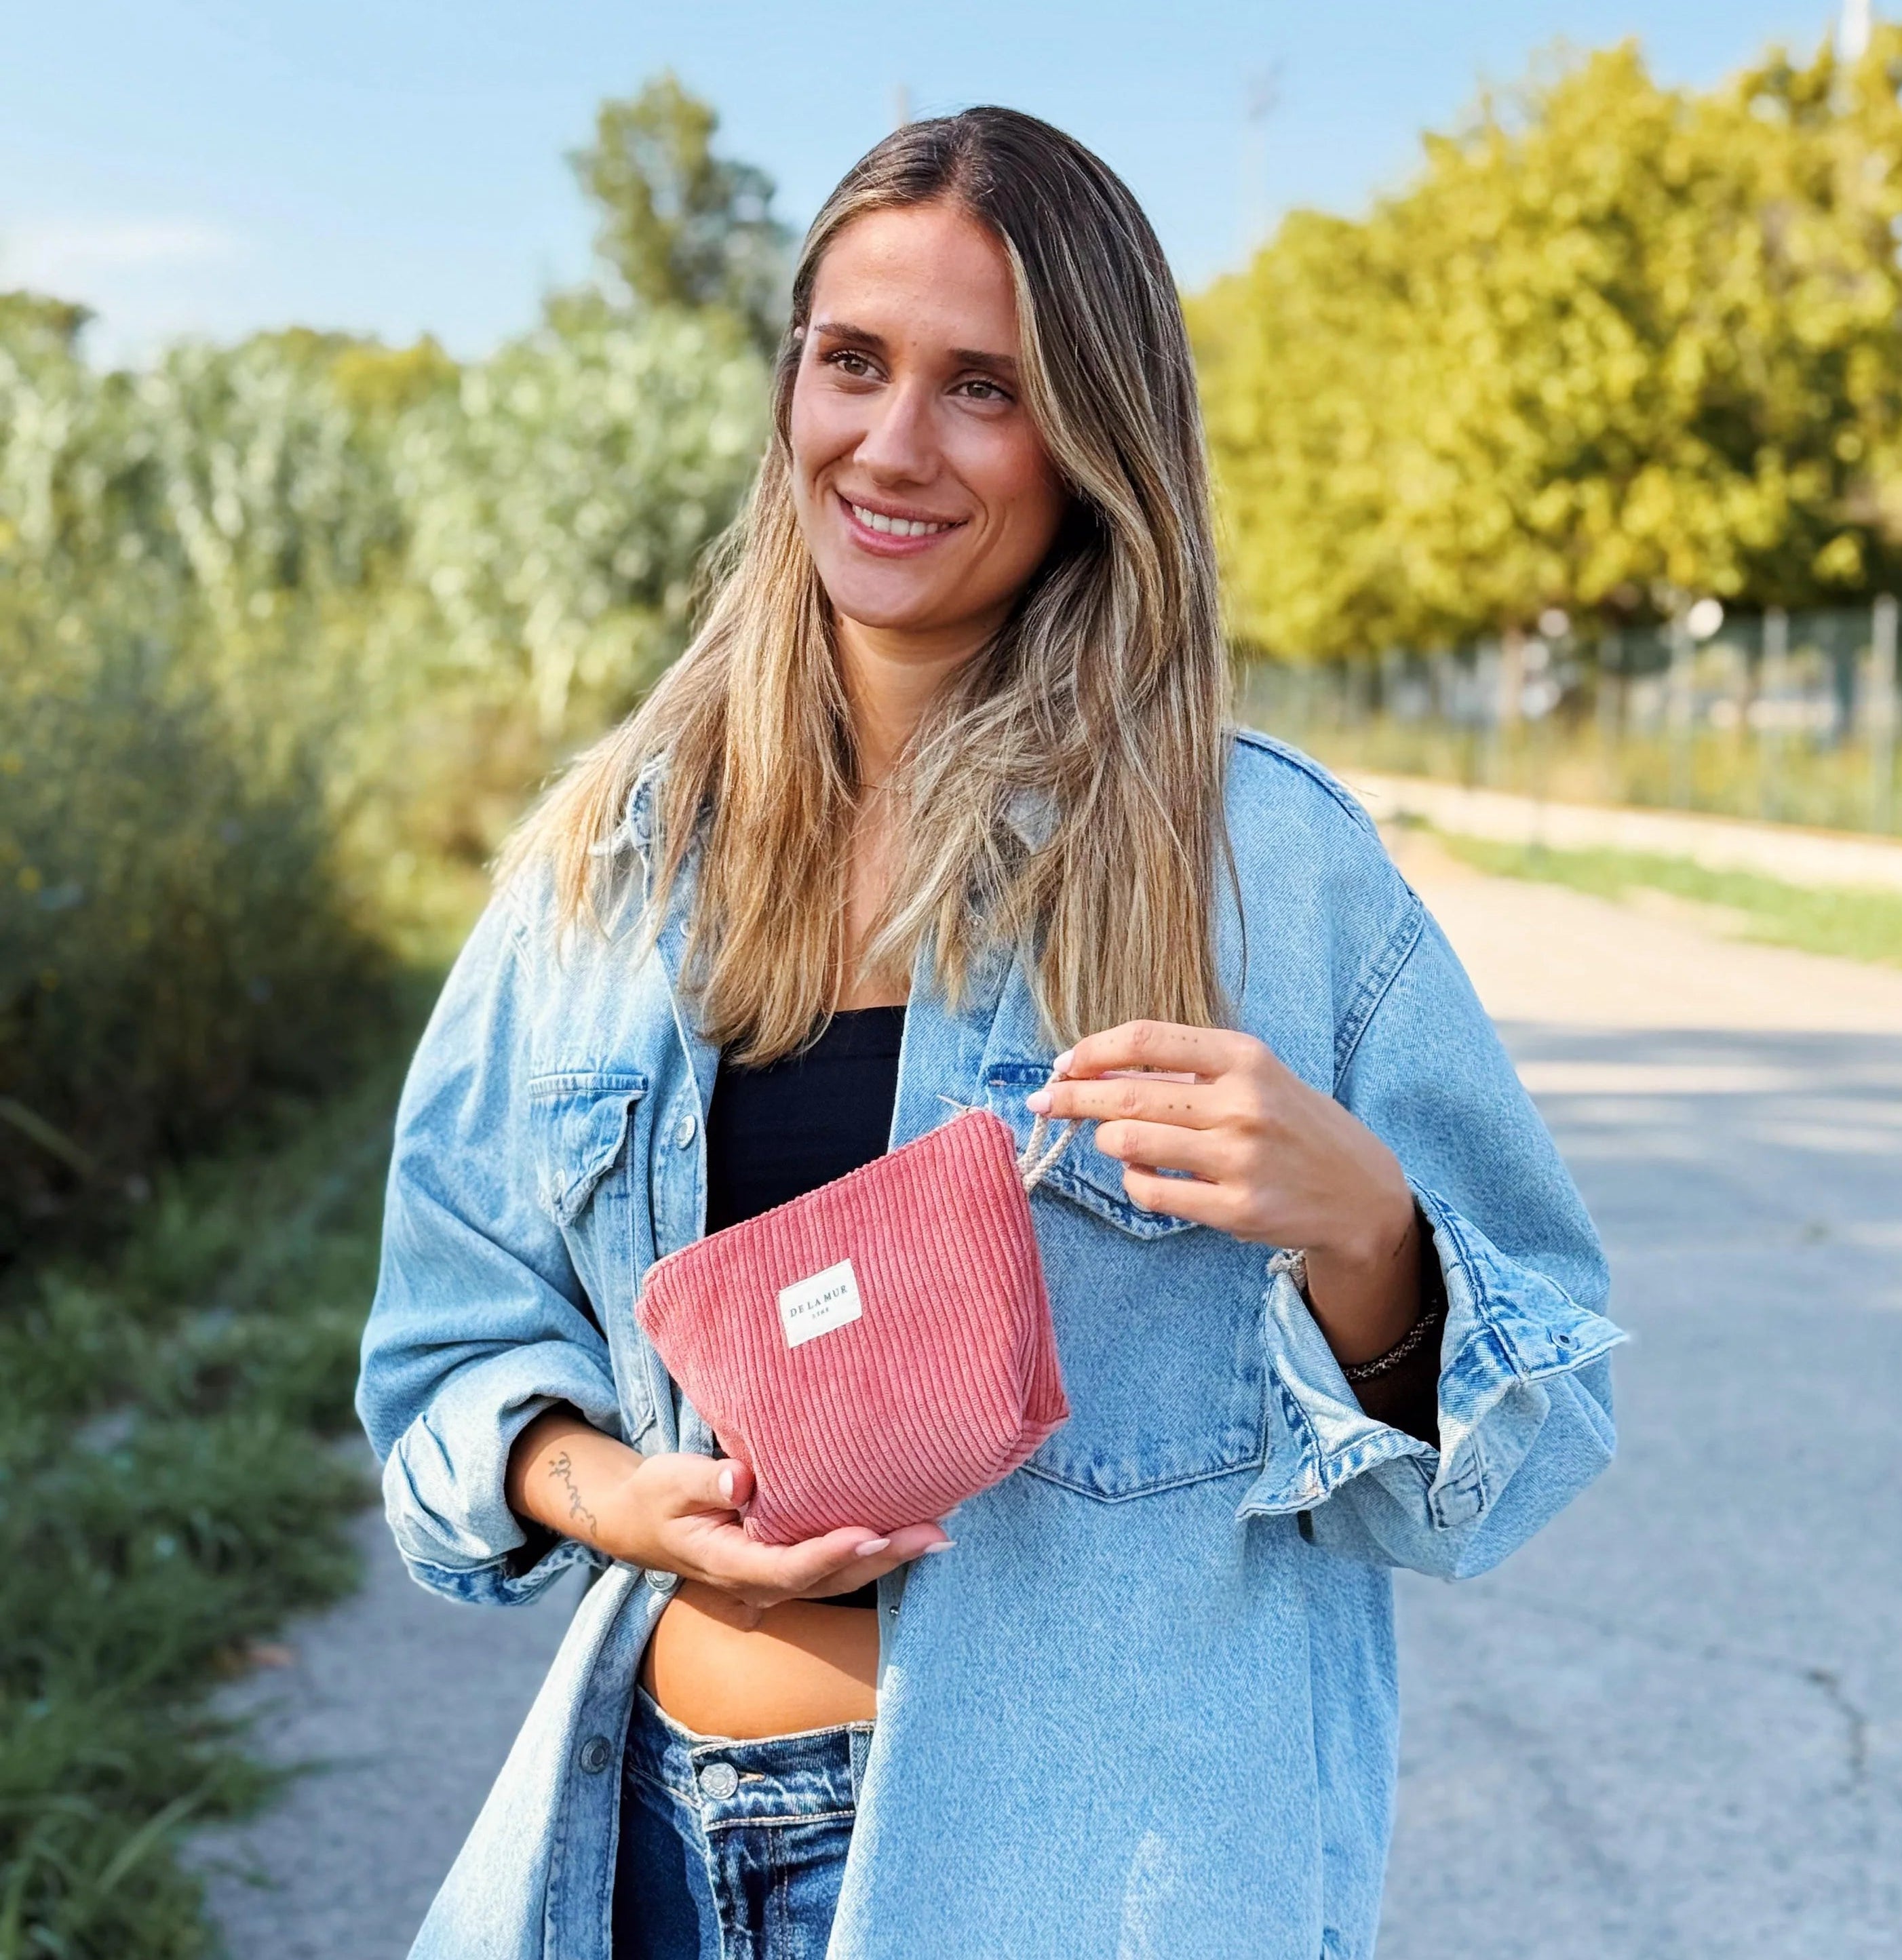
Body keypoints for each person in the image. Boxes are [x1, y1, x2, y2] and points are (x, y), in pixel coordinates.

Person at [356, 105, 1623, 1960]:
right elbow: (447, 1362)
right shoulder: (606, 859)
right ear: (790, 380)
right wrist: (620, 1493)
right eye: (852, 362)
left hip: (1080, 1884)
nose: (891, 443)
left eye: (983, 389)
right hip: (650, 1853)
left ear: (1091, 442)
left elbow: (1531, 1437)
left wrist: (1367, 1233)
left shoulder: (1260, 870)